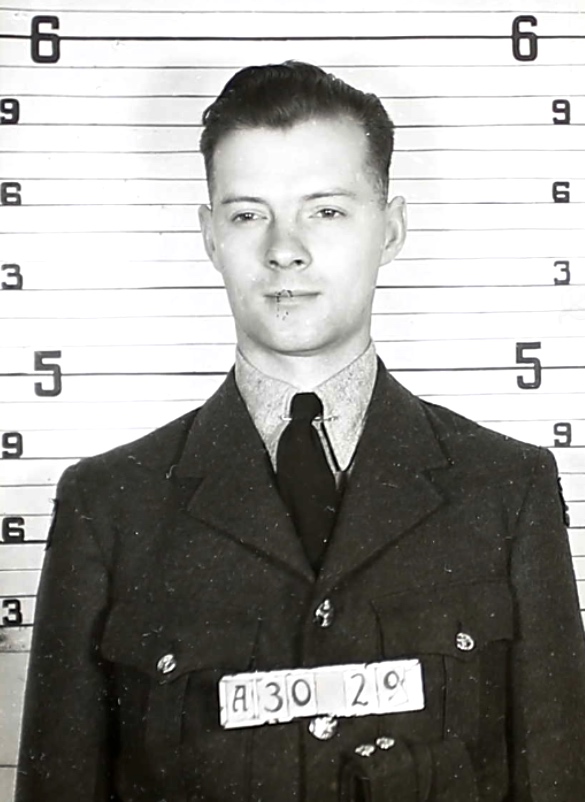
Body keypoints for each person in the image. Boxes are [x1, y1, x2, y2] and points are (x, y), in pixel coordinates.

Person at [15, 61, 585, 802]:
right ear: (209, 237)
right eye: (247, 214)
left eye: (326, 211)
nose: (285, 249)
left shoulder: (507, 491)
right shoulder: (108, 506)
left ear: (391, 229)